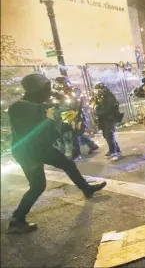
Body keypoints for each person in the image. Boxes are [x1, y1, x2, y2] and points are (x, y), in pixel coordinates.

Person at [8, 73, 106, 234]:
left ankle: (86, 188)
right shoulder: (20, 106)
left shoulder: (39, 104)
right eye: (46, 88)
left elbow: (50, 130)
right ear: (36, 89)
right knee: (38, 186)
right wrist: (54, 108)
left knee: (68, 164)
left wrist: (71, 127)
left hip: (41, 148)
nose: (49, 92)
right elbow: (37, 125)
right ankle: (17, 220)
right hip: (27, 152)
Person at [51, 77, 98, 161]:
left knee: (74, 136)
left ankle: (76, 154)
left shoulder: (74, 91)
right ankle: (92, 145)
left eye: (60, 84)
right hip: (63, 118)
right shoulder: (56, 94)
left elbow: (77, 106)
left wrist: (77, 120)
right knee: (78, 135)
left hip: (75, 117)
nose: (58, 86)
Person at [91, 83, 122, 160]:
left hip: (110, 118)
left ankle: (113, 150)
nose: (97, 92)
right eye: (96, 90)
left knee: (109, 135)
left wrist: (96, 112)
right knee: (106, 135)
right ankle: (116, 148)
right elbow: (93, 105)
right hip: (103, 119)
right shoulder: (99, 97)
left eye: (99, 90)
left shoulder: (109, 96)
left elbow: (106, 110)